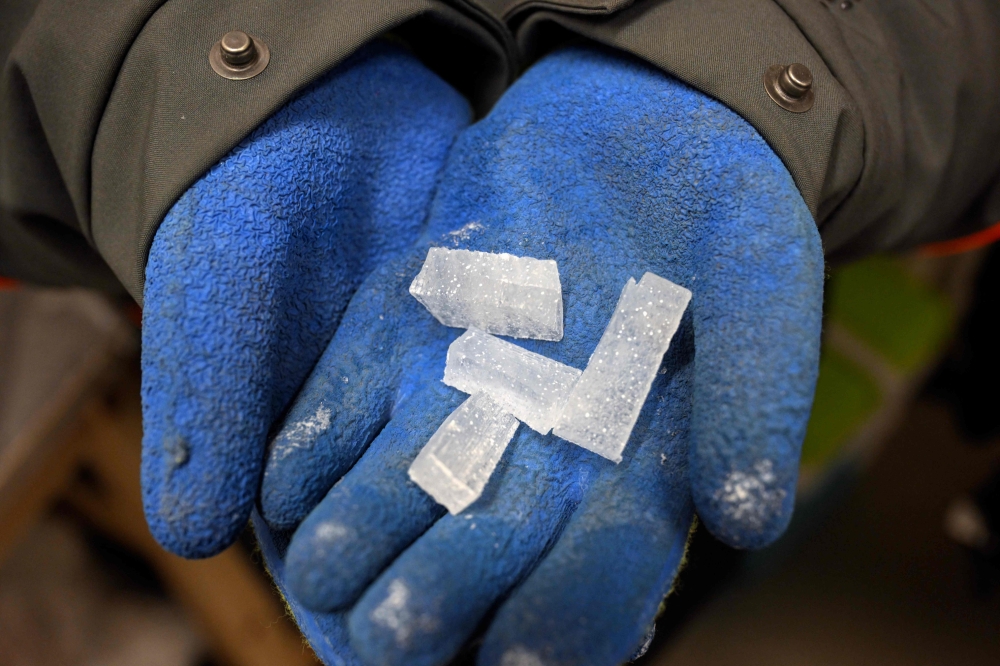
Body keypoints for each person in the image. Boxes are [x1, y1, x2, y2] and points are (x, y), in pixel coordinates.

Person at [3, 2, 999, 664]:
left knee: (650, 527)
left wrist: (791, 58)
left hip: (784, 252)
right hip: (330, 307)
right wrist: (166, 69)